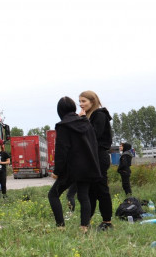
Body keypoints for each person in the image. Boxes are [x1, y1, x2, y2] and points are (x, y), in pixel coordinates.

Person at [48, 97, 102, 232]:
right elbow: (93, 145)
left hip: (71, 168)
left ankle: (60, 226)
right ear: (73, 108)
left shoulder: (63, 126)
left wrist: (57, 171)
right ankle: (84, 227)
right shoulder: (86, 123)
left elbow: (62, 150)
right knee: (83, 196)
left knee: (53, 195)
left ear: (60, 110)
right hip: (87, 167)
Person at [79, 90, 114, 231]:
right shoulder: (91, 116)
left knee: (101, 189)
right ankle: (87, 220)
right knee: (91, 191)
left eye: (83, 101)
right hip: (92, 157)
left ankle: (107, 222)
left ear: (92, 101)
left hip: (99, 156)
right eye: (79, 101)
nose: (81, 104)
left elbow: (93, 135)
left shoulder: (99, 115)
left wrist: (82, 120)